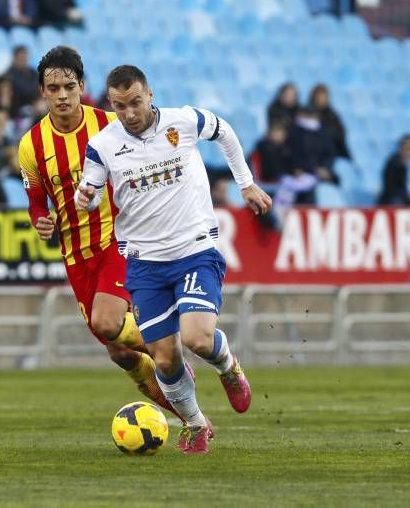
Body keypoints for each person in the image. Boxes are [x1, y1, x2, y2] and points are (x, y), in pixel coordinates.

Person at [76, 65, 272, 454]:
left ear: (149, 95)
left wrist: (245, 182)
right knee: (165, 359)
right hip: (145, 264)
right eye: (119, 106)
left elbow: (224, 131)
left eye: (135, 102)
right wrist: (87, 198)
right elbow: (92, 190)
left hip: (194, 250)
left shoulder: (182, 121)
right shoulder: (102, 145)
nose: (129, 113)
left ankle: (228, 366)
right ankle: (197, 424)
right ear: (110, 104)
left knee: (197, 338)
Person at [18, 47, 183, 429]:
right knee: (119, 353)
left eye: (69, 86)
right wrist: (41, 220)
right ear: (42, 91)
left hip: (118, 240)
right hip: (76, 257)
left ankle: (169, 345)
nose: (62, 95)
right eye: (53, 87)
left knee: (109, 323)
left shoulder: (111, 127)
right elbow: (35, 203)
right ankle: (188, 417)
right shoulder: (31, 146)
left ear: (82, 86)